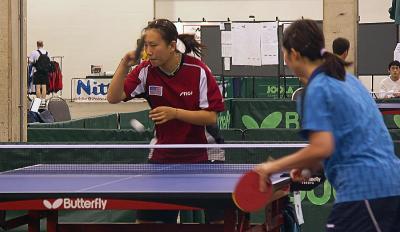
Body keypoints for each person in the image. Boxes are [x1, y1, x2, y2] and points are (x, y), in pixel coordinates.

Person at [254, 19, 400, 232]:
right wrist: (310, 166)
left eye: (284, 54)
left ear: (293, 54)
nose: (285, 61)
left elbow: (321, 147)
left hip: (365, 191)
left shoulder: (318, 87)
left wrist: (271, 167)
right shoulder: (348, 80)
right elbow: (353, 140)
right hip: (391, 185)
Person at [107, 18, 225, 223]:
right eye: (145, 46)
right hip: (164, 156)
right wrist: (124, 64)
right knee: (146, 223)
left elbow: (211, 116)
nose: (148, 51)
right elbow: (113, 98)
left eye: (153, 45)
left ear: (172, 46)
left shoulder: (197, 70)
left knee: (220, 223)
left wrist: (175, 113)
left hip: (205, 156)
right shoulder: (145, 71)